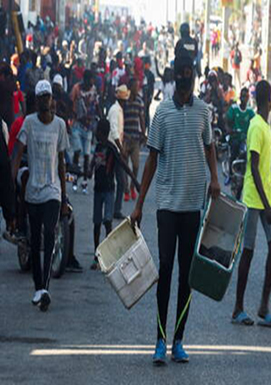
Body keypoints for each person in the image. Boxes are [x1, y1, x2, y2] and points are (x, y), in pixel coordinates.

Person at [130, 51, 220, 365]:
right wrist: (139, 204)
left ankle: (178, 340)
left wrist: (215, 180)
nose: (185, 76)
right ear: (175, 76)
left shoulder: (204, 112)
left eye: (189, 71)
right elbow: (151, 159)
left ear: (193, 76)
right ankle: (159, 339)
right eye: (180, 72)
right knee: (165, 270)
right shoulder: (163, 113)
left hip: (193, 206)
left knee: (187, 276)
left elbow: (210, 147)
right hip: (167, 205)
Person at [11, 80, 70, 312]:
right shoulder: (29, 123)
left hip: (52, 191)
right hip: (32, 191)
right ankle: (38, 288)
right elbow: (17, 154)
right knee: (35, 242)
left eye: (49, 97)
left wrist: (64, 199)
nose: (46, 100)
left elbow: (62, 163)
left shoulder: (60, 126)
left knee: (49, 233)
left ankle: (45, 288)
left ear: (52, 100)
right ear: (37, 101)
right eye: (42, 97)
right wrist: (11, 182)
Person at [232, 80, 271, 328]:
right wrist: (266, 204)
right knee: (249, 251)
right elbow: (252, 165)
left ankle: (264, 306)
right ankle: (238, 308)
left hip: (265, 196)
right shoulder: (255, 126)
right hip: (253, 199)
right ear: (268, 100)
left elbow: (264, 170)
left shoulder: (265, 126)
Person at [89, 119, 140, 270]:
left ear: (102, 132)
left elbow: (123, 165)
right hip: (98, 190)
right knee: (97, 223)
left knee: (107, 221)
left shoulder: (111, 148)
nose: (96, 134)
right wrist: (88, 170)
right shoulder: (98, 146)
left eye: (97, 131)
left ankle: (107, 256)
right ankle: (96, 255)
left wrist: (135, 182)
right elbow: (94, 162)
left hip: (109, 190)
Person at [71, 69, 100, 194]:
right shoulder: (76, 88)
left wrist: (101, 119)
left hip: (88, 126)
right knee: (77, 151)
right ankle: (74, 177)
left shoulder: (93, 90)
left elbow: (97, 104)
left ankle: (84, 181)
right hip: (77, 125)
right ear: (86, 79)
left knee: (87, 154)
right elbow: (71, 103)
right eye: (91, 79)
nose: (92, 82)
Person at [108, 84, 130, 219]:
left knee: (117, 181)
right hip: (113, 149)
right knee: (120, 181)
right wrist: (121, 149)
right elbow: (114, 131)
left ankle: (114, 209)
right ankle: (115, 209)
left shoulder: (118, 109)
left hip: (115, 147)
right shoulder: (115, 110)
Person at [225, 87, 255, 186]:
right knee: (234, 150)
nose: (244, 98)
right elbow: (227, 121)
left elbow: (255, 124)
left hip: (245, 139)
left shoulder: (250, 112)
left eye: (246, 96)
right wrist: (230, 130)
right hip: (235, 137)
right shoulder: (234, 109)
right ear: (239, 97)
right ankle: (230, 174)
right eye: (242, 96)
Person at [122, 77, 145, 202]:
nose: (138, 89)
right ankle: (126, 190)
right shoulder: (124, 102)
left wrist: (143, 133)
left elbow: (141, 118)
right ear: (130, 88)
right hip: (125, 137)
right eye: (136, 86)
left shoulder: (139, 102)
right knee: (125, 166)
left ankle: (132, 186)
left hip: (135, 138)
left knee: (136, 165)